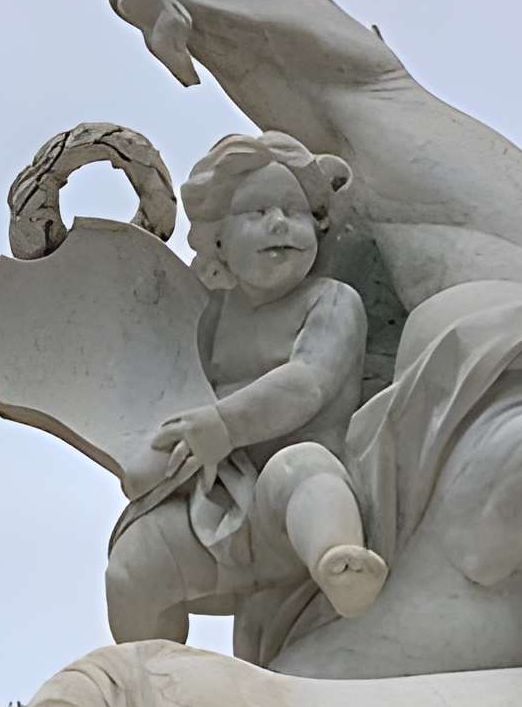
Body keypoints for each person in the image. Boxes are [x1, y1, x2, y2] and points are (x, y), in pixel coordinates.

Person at [105, 131, 386, 643]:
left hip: (294, 500)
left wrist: (224, 424)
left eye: (294, 212)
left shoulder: (331, 301)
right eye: (256, 213)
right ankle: (153, 677)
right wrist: (162, 451)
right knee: (132, 562)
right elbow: (182, 388)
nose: (279, 223)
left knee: (304, 470)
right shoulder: (211, 318)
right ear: (218, 242)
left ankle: (340, 564)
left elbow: (307, 382)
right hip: (224, 497)